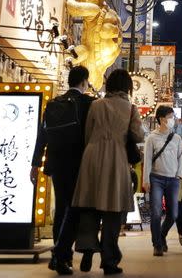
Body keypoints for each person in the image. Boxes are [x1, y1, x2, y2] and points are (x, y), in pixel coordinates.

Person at [59, 69, 144, 276]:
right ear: (127, 87)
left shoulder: (96, 104)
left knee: (89, 206)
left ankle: (87, 248)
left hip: (92, 157)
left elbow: (88, 133)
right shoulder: (130, 108)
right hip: (116, 159)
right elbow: (139, 135)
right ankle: (109, 261)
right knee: (113, 213)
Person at [32, 66, 93, 273]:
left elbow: (42, 135)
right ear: (84, 82)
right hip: (78, 163)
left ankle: (60, 256)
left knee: (61, 209)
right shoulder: (87, 103)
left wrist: (35, 164)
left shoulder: (53, 103)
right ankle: (61, 255)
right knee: (75, 210)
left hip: (56, 164)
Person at [142, 105, 182, 256]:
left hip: (173, 180)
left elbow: (180, 158)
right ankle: (157, 245)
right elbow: (147, 160)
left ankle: (162, 235)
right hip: (156, 179)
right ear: (161, 119)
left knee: (173, 214)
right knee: (156, 213)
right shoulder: (151, 138)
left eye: (173, 117)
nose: (173, 120)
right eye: (170, 117)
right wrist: (146, 180)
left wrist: (179, 175)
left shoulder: (177, 138)